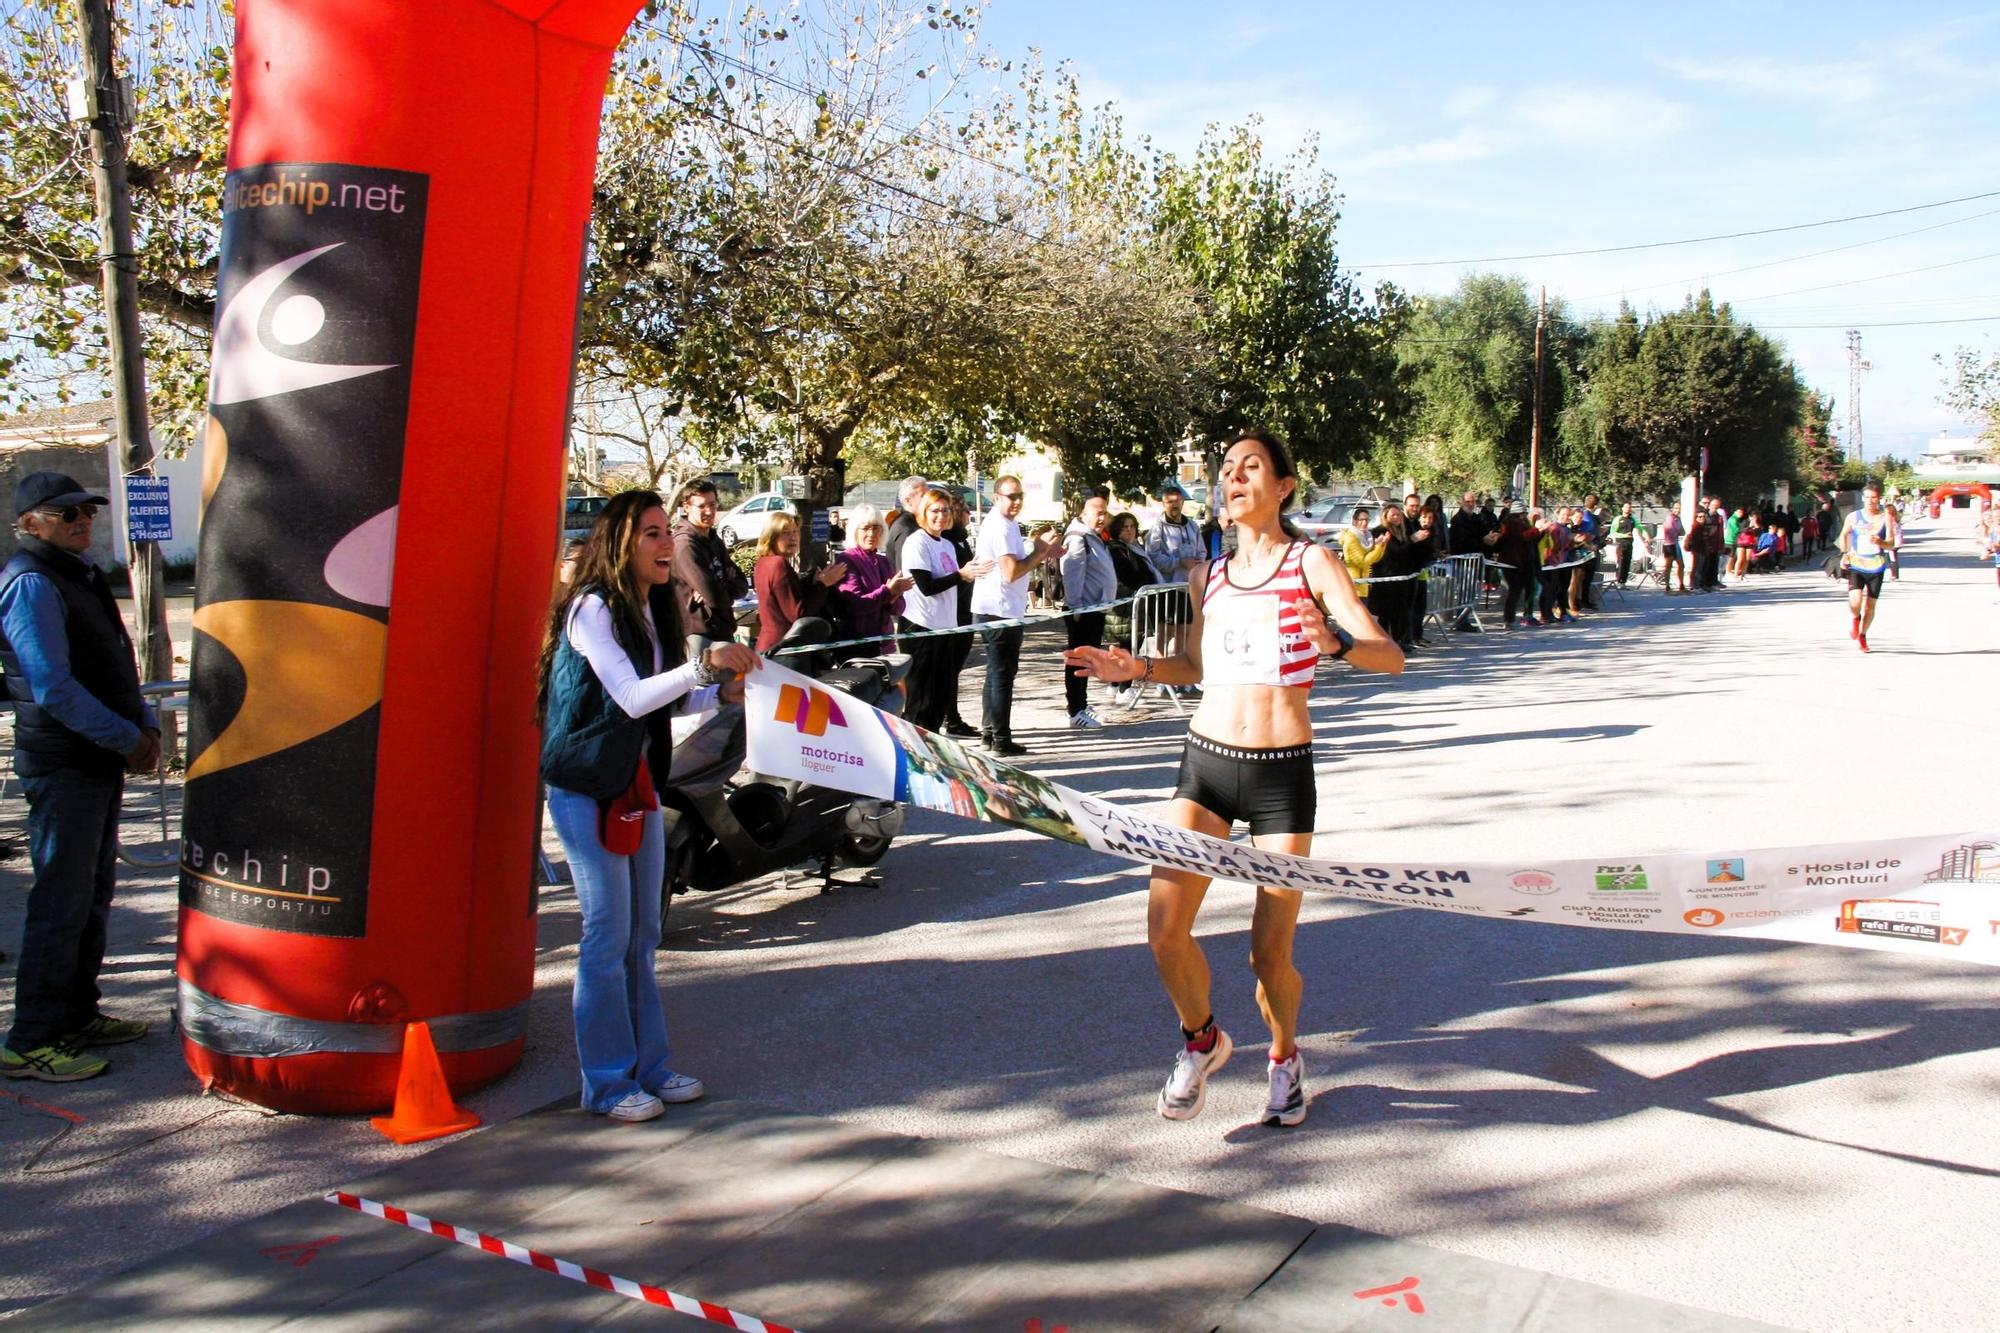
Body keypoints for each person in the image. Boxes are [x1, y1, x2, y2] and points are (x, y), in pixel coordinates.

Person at [1062, 429, 1403, 1128]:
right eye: (1226, 469)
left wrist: (1337, 644)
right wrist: (1141, 669)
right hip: (1207, 766)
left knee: (1268, 954)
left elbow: (1390, 656)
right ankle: (1203, 1039)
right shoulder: (1204, 575)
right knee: (1163, 929)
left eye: (1252, 466)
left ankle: (1284, 1058)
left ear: (1282, 488)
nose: (1235, 476)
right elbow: (1195, 666)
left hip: (1281, 775)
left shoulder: (1313, 563)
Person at [537, 490, 759, 1121]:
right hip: (586, 785)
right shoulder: (591, 608)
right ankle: (606, 1083)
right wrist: (705, 664)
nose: (667, 544)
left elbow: (663, 704)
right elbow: (633, 697)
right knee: (606, 935)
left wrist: (724, 694)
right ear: (621, 544)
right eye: (653, 534)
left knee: (644, 934)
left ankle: (651, 1068)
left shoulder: (654, 606)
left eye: (667, 532)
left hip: (637, 782)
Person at [0, 474, 159, 1082]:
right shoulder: (32, 582)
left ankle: (76, 1014)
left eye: (86, 512)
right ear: (30, 523)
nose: (80, 521)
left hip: (96, 759)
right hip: (65, 764)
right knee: (60, 905)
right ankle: (31, 1039)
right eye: (64, 515)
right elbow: (52, 687)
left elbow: (116, 663)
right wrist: (128, 738)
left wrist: (145, 725)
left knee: (91, 897)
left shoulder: (79, 574)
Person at [971, 475, 1057, 757]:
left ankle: (989, 733)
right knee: (1002, 676)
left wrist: (1039, 552)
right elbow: (1011, 572)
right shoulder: (1000, 526)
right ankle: (1000, 738)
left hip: (1000, 609)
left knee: (996, 675)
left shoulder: (1005, 524)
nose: (1016, 501)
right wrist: (1040, 552)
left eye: (1020, 495)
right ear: (996, 497)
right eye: (1011, 496)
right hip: (998, 611)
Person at [900, 486, 993, 730]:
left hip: (945, 627)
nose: (940, 515)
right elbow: (926, 586)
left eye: (945, 510)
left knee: (939, 699)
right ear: (923, 512)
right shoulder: (916, 542)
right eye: (935, 510)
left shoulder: (947, 544)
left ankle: (932, 749)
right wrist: (960, 575)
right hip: (921, 627)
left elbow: (954, 580)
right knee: (921, 701)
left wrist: (968, 576)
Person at [1059, 487, 1117, 729]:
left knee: (1086, 661)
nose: (1102, 517)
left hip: (1096, 609)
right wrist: (1077, 610)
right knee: (1078, 661)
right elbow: (1072, 575)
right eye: (1097, 512)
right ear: (1084, 512)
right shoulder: (1078, 537)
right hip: (1083, 612)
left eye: (1105, 512)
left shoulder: (1094, 535)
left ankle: (1081, 704)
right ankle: (1075, 710)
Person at [668, 479, 748, 648]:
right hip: (699, 635)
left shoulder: (713, 539)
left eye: (713, 505)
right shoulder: (685, 545)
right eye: (702, 506)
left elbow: (742, 584)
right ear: (687, 507)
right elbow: (715, 597)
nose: (709, 511)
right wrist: (720, 589)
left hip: (723, 631)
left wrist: (722, 587)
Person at [752, 512, 846, 654]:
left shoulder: (763, 562)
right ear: (771, 537)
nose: (793, 537)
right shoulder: (778, 563)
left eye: (795, 531)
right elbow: (798, 615)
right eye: (785, 533)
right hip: (784, 650)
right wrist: (823, 584)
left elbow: (786, 599)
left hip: (770, 647)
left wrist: (812, 582)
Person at [827, 504, 913, 658]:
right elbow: (855, 605)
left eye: (876, 528)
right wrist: (888, 592)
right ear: (854, 531)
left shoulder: (883, 561)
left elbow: (899, 608)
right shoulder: (848, 559)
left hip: (885, 645)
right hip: (858, 646)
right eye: (865, 528)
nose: (871, 533)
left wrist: (894, 596)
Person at [939, 497, 982, 737]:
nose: (968, 514)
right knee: (949, 668)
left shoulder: (961, 540)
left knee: (955, 668)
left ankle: (952, 716)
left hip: (966, 609)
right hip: (954, 613)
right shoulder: (948, 541)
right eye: (965, 510)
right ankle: (950, 717)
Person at [1838, 482, 1897, 652]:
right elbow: (1843, 535)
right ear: (1863, 498)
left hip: (1876, 567)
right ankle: (1856, 618)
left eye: (1874, 498)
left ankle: (1863, 636)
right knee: (1855, 602)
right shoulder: (1854, 517)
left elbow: (1891, 543)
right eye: (1867, 498)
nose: (1870, 501)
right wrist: (1844, 553)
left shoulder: (1885, 518)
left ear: (1879, 499)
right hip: (1857, 564)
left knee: (1870, 606)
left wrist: (1881, 542)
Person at [1484, 507, 1540, 628]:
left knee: (1521, 589)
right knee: (1515, 590)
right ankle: (1510, 619)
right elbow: (1522, 537)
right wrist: (1537, 530)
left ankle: (1518, 617)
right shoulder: (1513, 523)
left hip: (1520, 561)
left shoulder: (1516, 523)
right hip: (1514, 561)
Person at [883, 474, 929, 562]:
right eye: (924, 496)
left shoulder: (915, 522)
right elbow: (904, 568)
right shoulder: (906, 528)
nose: (929, 499)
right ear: (908, 501)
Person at [1336, 506, 1386, 585]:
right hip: (1354, 584)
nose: (1365, 523)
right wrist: (1378, 547)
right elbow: (1363, 562)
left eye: (1367, 520)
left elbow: (1375, 559)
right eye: (1361, 520)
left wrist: (1381, 544)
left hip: (1364, 582)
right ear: (1354, 521)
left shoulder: (1367, 537)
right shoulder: (1351, 539)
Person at [1659, 502, 1687, 593]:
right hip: (1669, 544)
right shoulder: (1669, 518)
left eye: (1679, 508)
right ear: (1672, 508)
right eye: (1676, 508)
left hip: (1676, 544)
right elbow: (1669, 531)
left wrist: (1678, 532)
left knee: (1681, 565)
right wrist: (1677, 532)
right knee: (1668, 566)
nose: (1677, 510)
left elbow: (1683, 532)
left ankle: (1681, 584)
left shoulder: (1678, 519)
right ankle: (1667, 585)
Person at [1610, 503, 1639, 586]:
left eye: (1629, 507)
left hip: (1629, 543)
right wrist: (1624, 535)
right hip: (1620, 543)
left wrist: (1646, 538)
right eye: (1626, 507)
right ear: (1622, 508)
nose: (1628, 509)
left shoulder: (1632, 519)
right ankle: (1619, 581)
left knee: (1627, 562)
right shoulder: (1618, 519)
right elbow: (1612, 532)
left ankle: (1624, 582)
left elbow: (1640, 528)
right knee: (1621, 562)